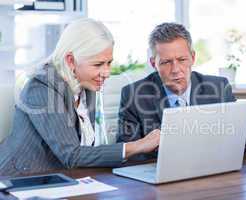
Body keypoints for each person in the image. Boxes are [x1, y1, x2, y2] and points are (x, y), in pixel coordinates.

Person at [0, 18, 160, 176]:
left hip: (63, 178)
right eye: (98, 64)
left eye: (109, 63)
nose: (107, 73)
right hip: (19, 181)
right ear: (71, 60)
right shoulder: (42, 87)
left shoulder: (86, 84)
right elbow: (72, 155)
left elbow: (84, 150)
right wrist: (138, 146)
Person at [117, 22, 246, 153]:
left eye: (182, 60)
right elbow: (125, 151)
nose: (175, 69)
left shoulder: (217, 88)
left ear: (193, 58)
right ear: (153, 63)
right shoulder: (133, 95)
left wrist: (216, 130)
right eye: (166, 62)